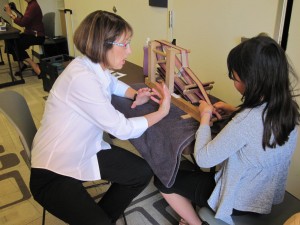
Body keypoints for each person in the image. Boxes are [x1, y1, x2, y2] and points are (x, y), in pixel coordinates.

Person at [29, 10, 171, 225]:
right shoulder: (81, 78)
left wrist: (134, 94)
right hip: (53, 170)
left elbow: (112, 83)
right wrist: (161, 113)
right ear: (102, 44)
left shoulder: (90, 65)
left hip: (84, 149)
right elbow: (121, 129)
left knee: (140, 173)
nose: (129, 51)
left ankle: (103, 219)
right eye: (125, 44)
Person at [154, 35, 300, 225]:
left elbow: (204, 158)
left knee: (163, 179)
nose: (234, 82)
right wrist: (234, 109)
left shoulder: (246, 121)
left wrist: (205, 115)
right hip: (266, 193)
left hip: (240, 201)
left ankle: (195, 223)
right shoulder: (289, 109)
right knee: (192, 174)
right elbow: (260, 123)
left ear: (251, 81)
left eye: (235, 77)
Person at [4, 0, 44, 77]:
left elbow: (22, 23)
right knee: (10, 40)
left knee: (15, 44)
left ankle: (35, 66)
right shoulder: (30, 4)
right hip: (30, 34)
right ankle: (21, 64)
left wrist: (10, 14)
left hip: (37, 36)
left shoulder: (33, 6)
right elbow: (24, 19)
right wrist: (14, 10)